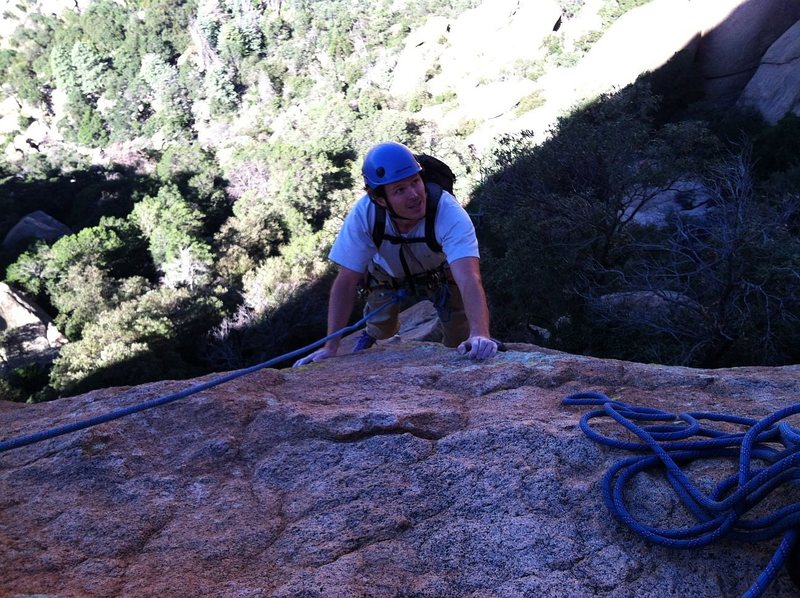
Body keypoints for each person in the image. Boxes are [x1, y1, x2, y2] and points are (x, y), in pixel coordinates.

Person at [293, 141, 498, 367]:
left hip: (439, 273)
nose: (414, 195)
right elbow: (346, 281)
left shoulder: (447, 212)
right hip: (387, 275)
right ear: (381, 199)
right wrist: (331, 347)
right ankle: (372, 333)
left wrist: (480, 334)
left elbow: (468, 277)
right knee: (382, 327)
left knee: (459, 338)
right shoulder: (366, 215)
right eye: (400, 190)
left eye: (415, 182)